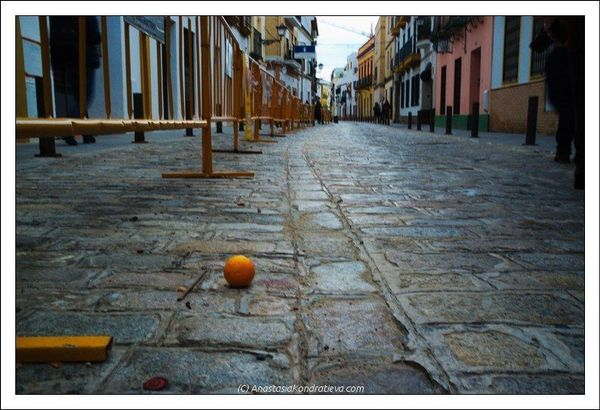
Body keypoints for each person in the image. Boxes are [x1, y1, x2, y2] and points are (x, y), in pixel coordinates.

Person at [530, 17, 584, 189]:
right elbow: (537, 45)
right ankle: (572, 156)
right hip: (568, 55)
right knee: (572, 109)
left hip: (570, 55)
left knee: (571, 109)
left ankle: (570, 155)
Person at [50, 16, 101, 146]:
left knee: (79, 97)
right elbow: (95, 36)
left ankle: (86, 133)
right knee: (86, 97)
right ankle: (67, 128)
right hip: (85, 57)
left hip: (68, 58)